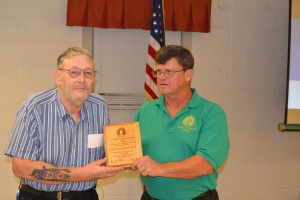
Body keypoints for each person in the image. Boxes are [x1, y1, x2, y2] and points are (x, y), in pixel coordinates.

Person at [4, 47, 124, 200]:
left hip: (86, 196)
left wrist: (125, 158)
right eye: (74, 72)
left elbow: (106, 151)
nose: (82, 79)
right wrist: (82, 174)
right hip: (40, 197)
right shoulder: (35, 107)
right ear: (58, 77)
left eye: (88, 73)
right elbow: (20, 168)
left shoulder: (100, 106)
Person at [132, 45, 230, 200]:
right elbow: (134, 151)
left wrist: (159, 169)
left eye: (169, 72)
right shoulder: (145, 111)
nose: (162, 77)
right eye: (159, 71)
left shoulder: (211, 113)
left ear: (188, 74)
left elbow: (205, 164)